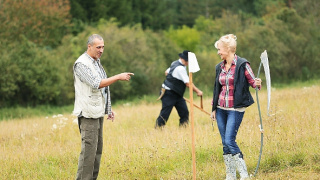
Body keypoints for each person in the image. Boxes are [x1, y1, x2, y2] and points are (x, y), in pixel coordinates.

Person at [73, 34, 134, 180]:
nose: (101, 50)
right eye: (98, 47)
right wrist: (118, 77)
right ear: (89, 47)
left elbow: (102, 90)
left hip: (97, 112)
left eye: (103, 47)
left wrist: (108, 109)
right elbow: (97, 83)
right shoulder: (81, 64)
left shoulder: (95, 61)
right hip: (88, 114)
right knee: (88, 153)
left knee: (97, 151)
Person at [210, 34, 262, 180]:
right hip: (221, 109)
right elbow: (216, 89)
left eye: (220, 49)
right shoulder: (219, 67)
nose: (218, 52)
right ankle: (230, 175)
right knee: (224, 144)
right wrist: (213, 109)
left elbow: (253, 82)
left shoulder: (242, 64)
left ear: (228, 49)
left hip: (235, 109)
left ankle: (244, 175)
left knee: (229, 141)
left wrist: (257, 83)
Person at [155, 50, 203, 128]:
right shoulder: (180, 68)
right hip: (169, 93)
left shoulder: (174, 63)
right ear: (184, 59)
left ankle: (183, 129)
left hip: (177, 94)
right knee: (165, 113)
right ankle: (158, 129)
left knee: (184, 112)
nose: (188, 63)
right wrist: (198, 91)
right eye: (188, 61)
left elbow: (166, 72)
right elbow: (188, 83)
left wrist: (173, 81)